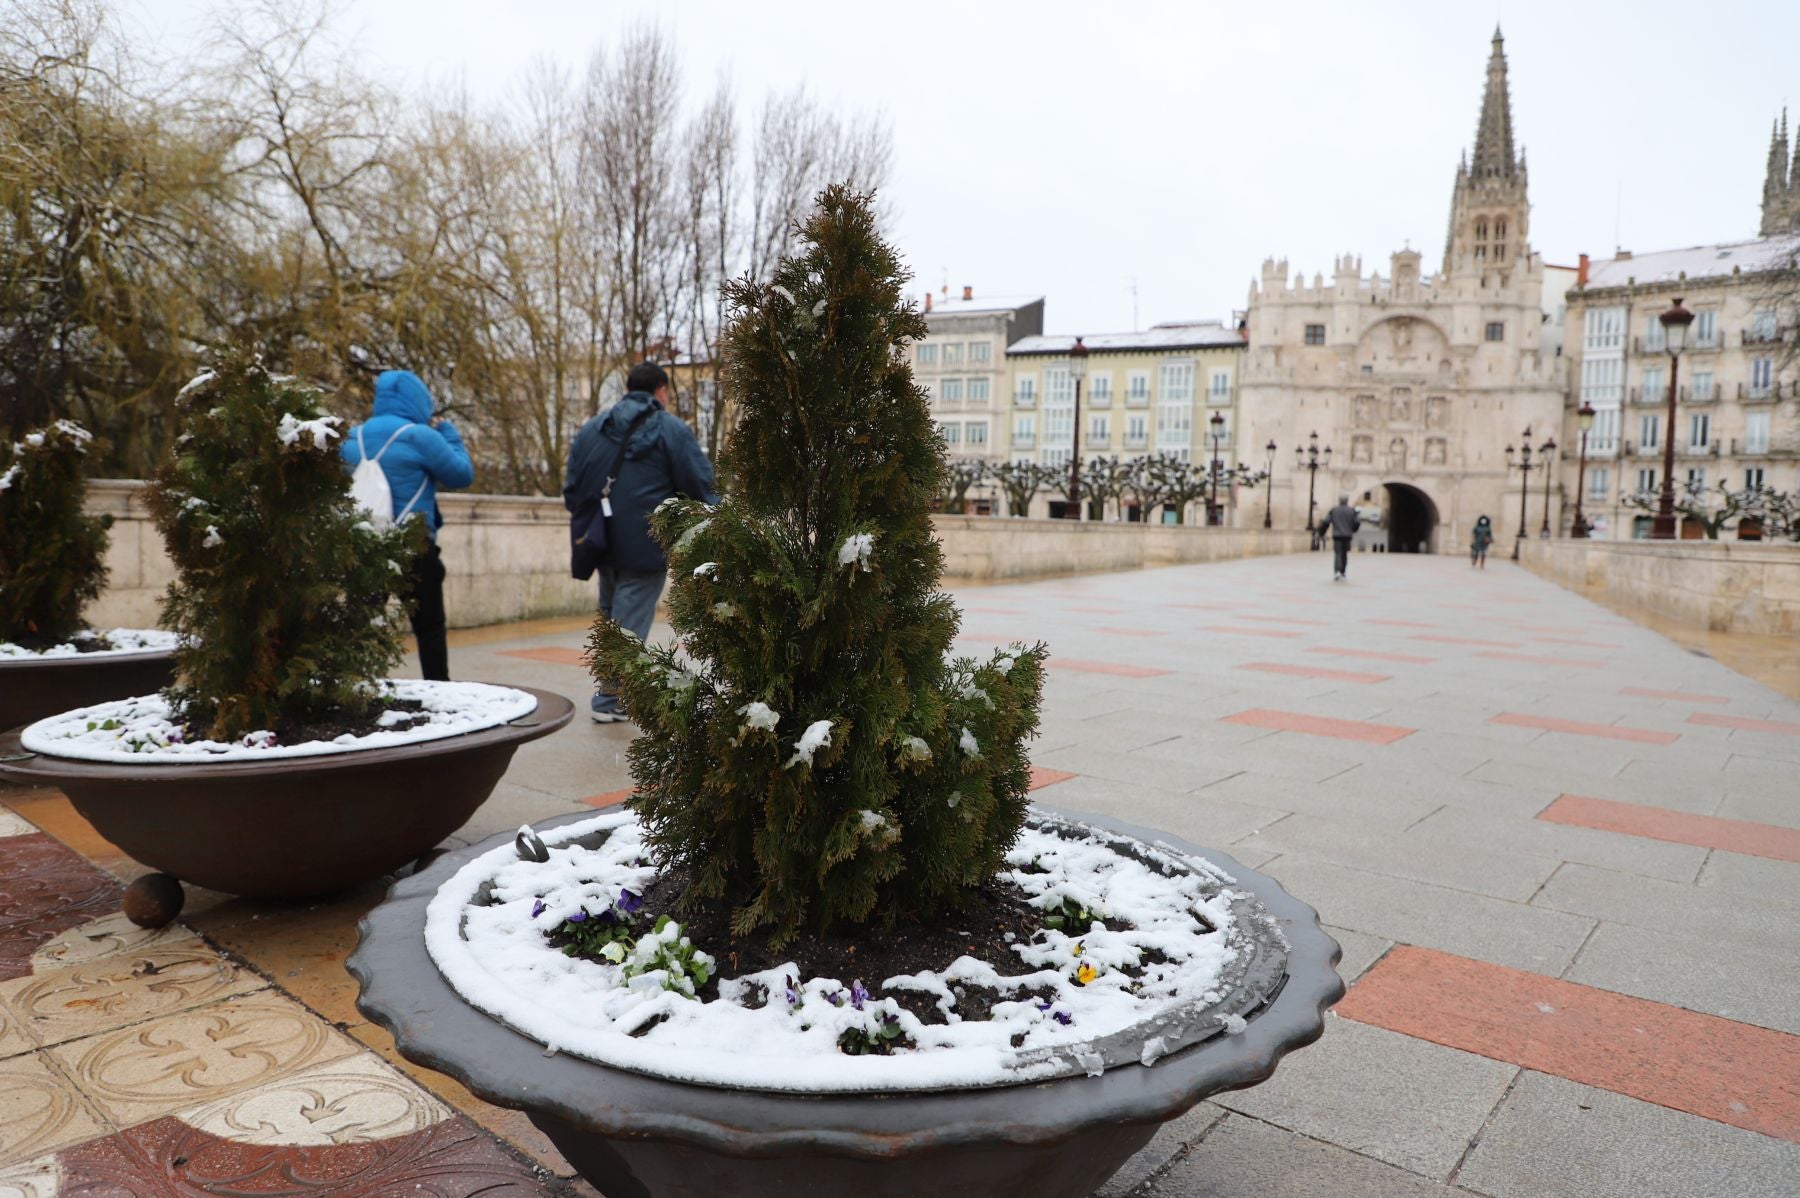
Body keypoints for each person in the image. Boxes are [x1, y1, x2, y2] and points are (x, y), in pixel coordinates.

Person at [564, 362, 718, 723]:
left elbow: (572, 488)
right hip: (645, 542)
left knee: (612, 615)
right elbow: (702, 485)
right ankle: (610, 699)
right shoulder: (670, 429)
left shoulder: (592, 430)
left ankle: (609, 693)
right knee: (628, 622)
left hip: (599, 541)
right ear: (661, 391)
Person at [341, 370, 474, 682]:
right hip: (413, 545)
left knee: (362, 628)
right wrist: (451, 436)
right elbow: (461, 475)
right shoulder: (420, 436)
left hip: (365, 546)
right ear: (418, 400)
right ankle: (438, 691)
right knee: (429, 628)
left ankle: (357, 690)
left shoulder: (352, 437)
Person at [1324, 493, 1360, 581]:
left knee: (1338, 554)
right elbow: (1357, 523)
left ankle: (1337, 572)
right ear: (1347, 501)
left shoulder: (1334, 510)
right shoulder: (1352, 511)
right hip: (1347, 535)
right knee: (1344, 554)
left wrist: (1322, 531)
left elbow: (1326, 521)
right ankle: (1343, 572)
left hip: (1337, 535)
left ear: (1339, 500)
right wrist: (1353, 530)